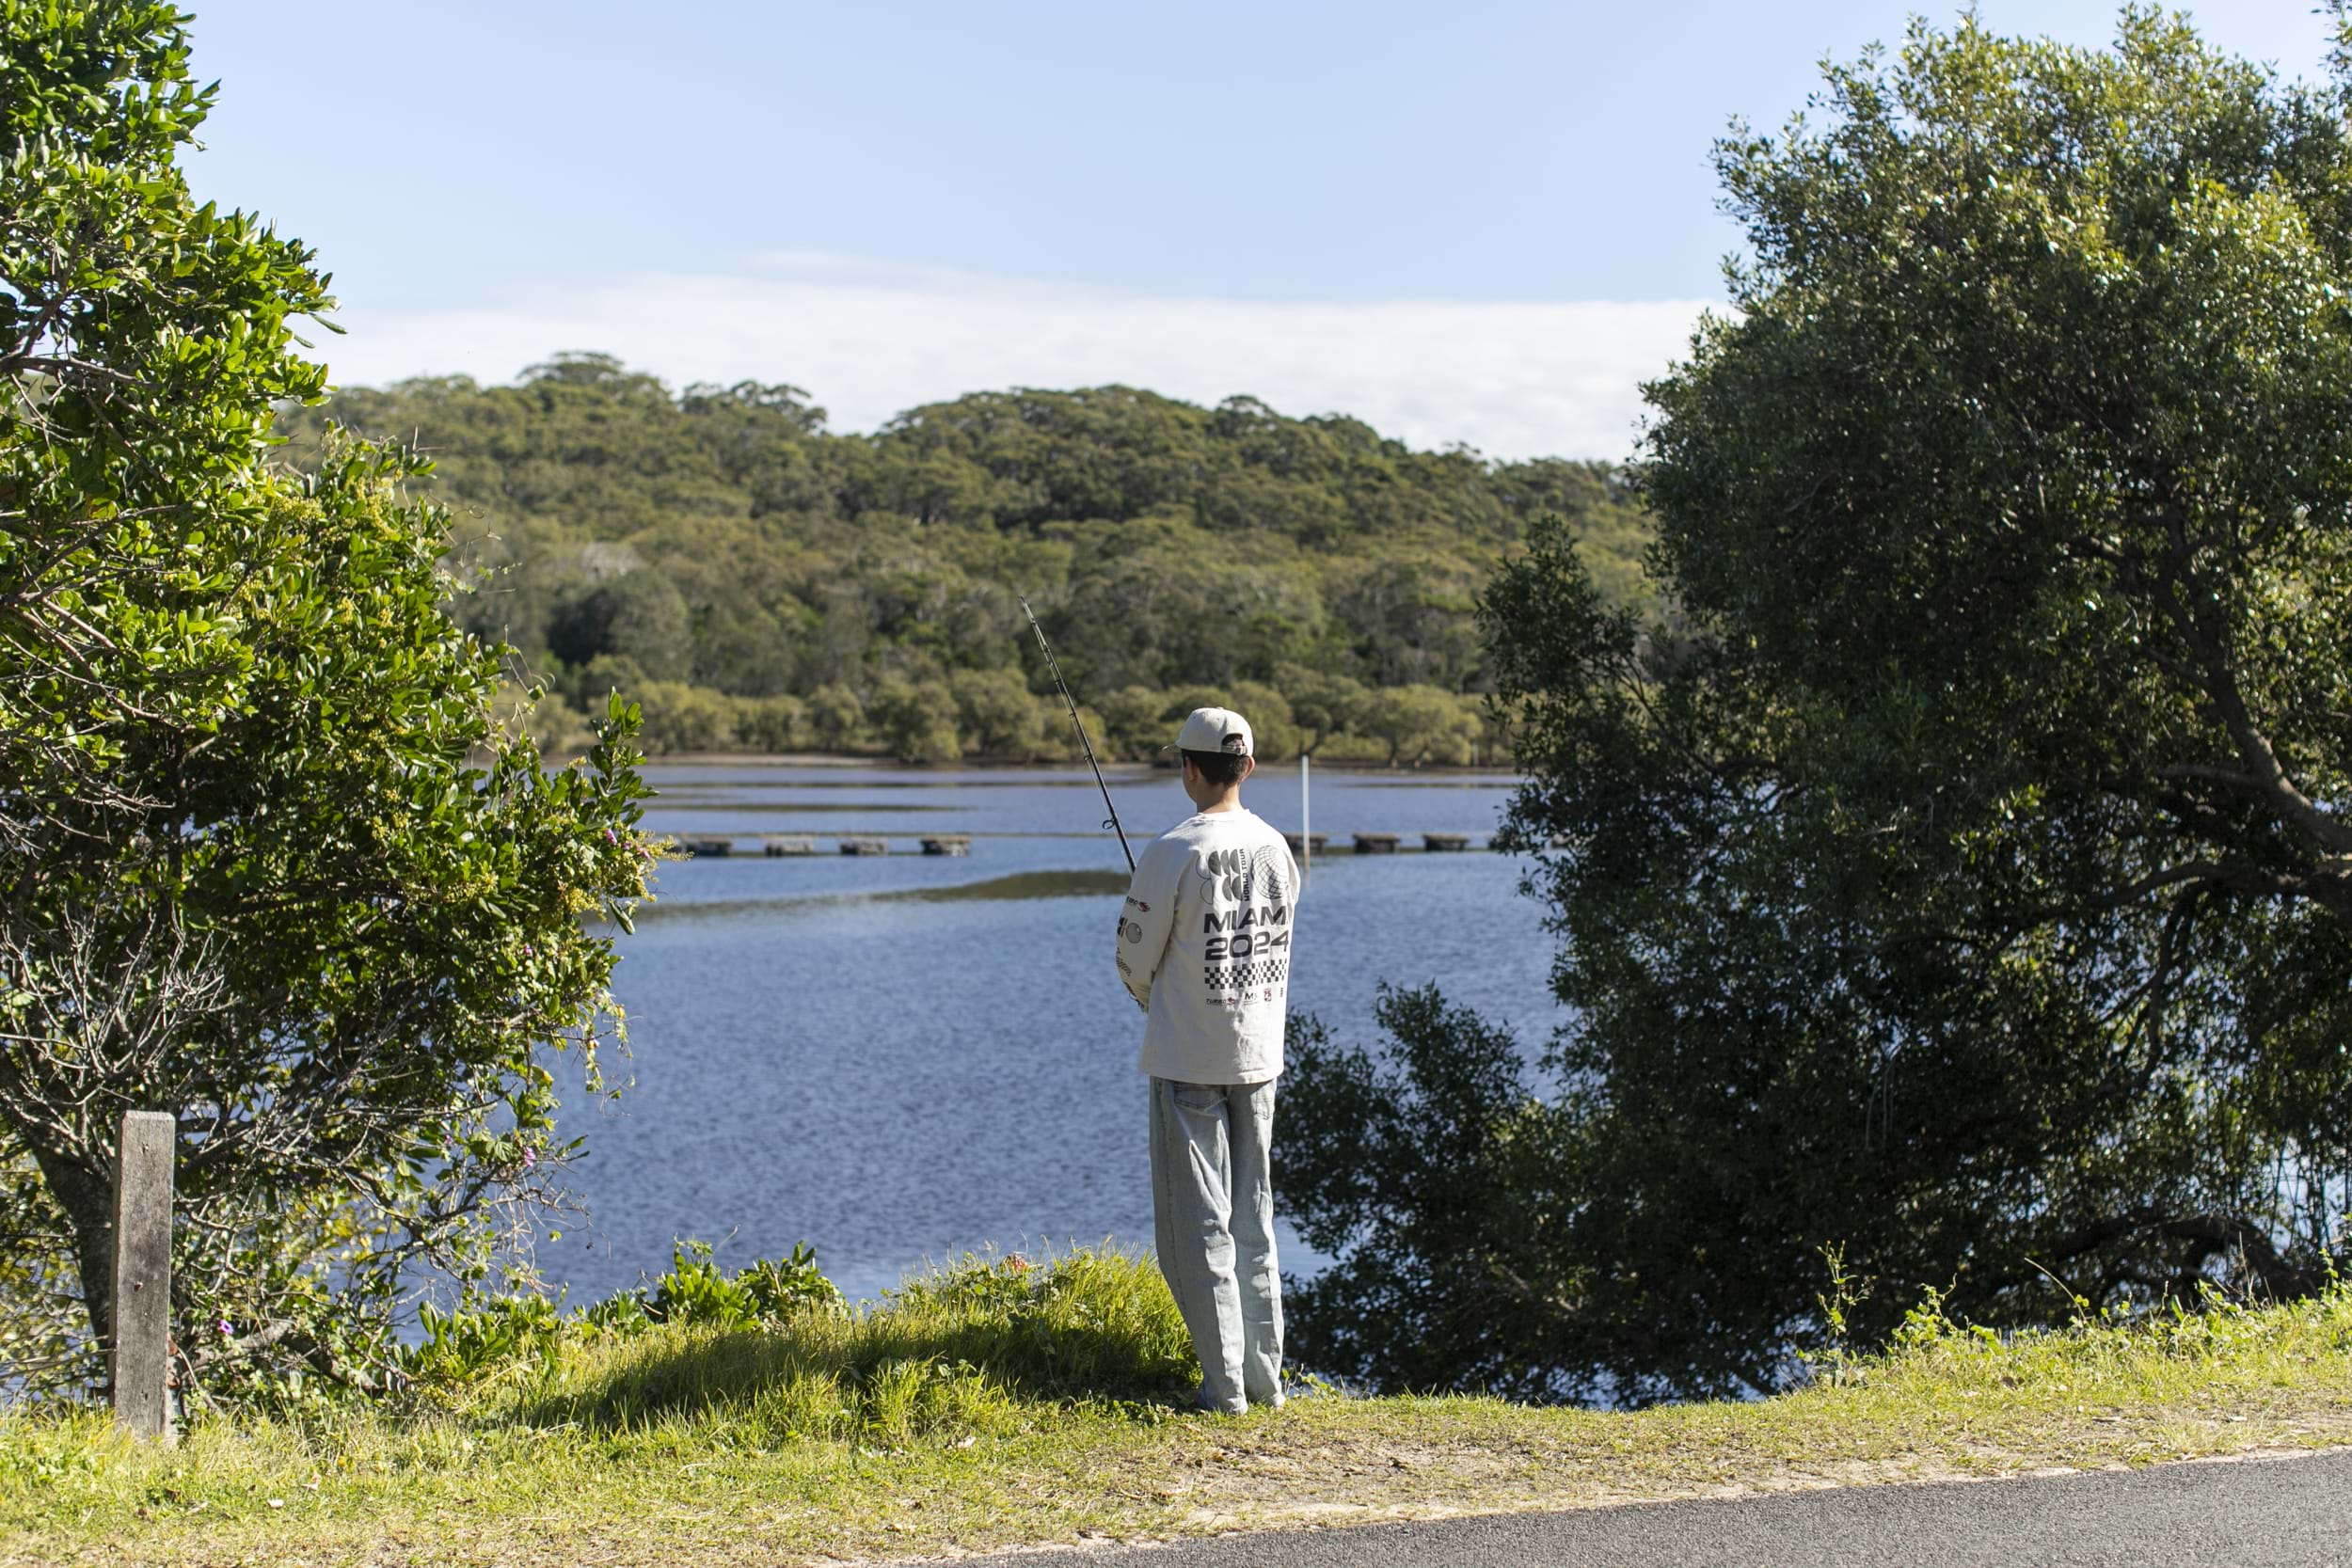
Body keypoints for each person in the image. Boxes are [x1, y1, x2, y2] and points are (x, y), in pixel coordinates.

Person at [1113, 705, 1301, 1415]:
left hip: (1188, 1057)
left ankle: (1222, 1388)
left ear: (1188, 768)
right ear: (1247, 766)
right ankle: (1265, 1380)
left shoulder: (1171, 851)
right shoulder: (1279, 849)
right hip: (1260, 1057)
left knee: (1198, 1226)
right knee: (1253, 1216)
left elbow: (1132, 959)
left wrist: (1158, 1000)